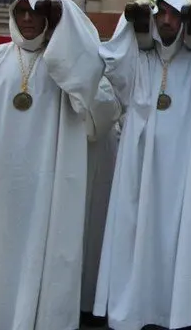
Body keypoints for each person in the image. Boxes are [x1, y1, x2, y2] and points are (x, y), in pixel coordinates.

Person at [0, 0, 111, 330]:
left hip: (49, 182)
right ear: (13, 18)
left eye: (36, 13)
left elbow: (96, 111)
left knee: (40, 252)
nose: (28, 20)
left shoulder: (64, 64)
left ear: (49, 19)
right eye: (21, 13)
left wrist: (66, 39)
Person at [93, 0, 191, 330]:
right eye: (160, 13)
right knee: (135, 229)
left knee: (179, 233)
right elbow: (113, 68)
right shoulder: (141, 58)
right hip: (140, 165)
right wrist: (131, 25)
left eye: (175, 14)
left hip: (183, 167)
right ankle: (134, 307)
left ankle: (180, 310)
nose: (167, 20)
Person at [80, 78, 123, 327]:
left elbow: (102, 119)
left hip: (92, 166)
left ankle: (87, 300)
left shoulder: (100, 80)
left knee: (92, 230)